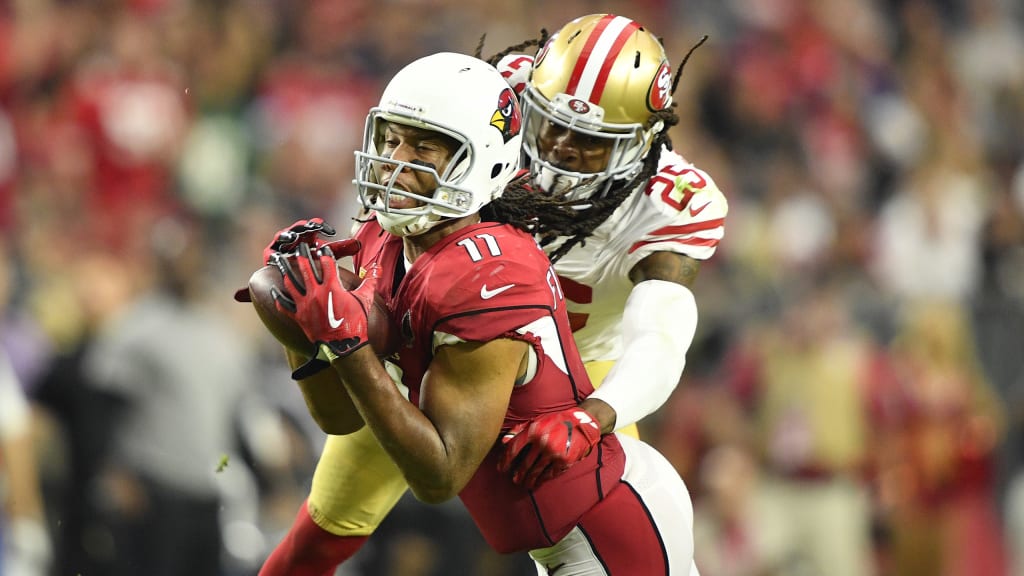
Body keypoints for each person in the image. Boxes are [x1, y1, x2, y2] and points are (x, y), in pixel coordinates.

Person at [257, 14, 727, 575]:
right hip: (430, 346)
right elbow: (406, 192)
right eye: (549, 123)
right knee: (330, 517)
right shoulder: (499, 100)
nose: (559, 149)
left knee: (573, 526)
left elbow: (659, 336)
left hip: (569, 379)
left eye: (590, 141)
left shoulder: (669, 203)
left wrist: (598, 413)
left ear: (641, 141)